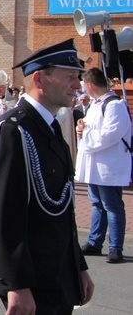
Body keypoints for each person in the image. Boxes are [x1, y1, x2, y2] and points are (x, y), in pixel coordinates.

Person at [0, 39, 94, 313]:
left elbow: (63, 210)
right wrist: (16, 285)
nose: (77, 85)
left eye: (78, 77)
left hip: (57, 270)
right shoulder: (13, 130)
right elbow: (1, 215)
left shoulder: (50, 127)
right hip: (30, 275)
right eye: (69, 77)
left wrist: (78, 265)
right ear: (40, 79)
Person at [75, 67, 132, 264]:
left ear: (90, 86)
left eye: (84, 86)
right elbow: (91, 128)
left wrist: (86, 134)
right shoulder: (95, 104)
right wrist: (82, 127)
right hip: (95, 165)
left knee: (112, 206)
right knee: (97, 204)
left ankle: (115, 247)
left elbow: (111, 134)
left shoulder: (114, 105)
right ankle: (95, 241)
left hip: (109, 165)